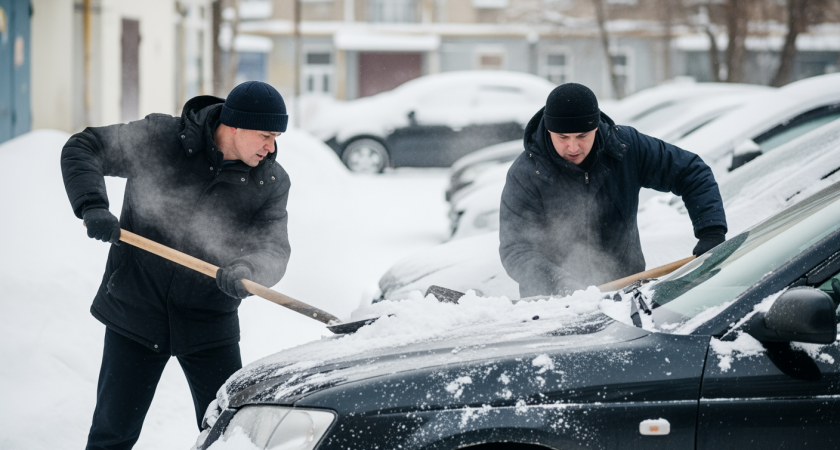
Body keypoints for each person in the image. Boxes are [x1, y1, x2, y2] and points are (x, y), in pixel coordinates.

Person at [60, 81, 292, 450]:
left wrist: (248, 269)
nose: (272, 147)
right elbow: (84, 146)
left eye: (276, 136)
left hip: (209, 321)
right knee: (112, 434)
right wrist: (92, 205)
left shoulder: (268, 181)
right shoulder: (161, 139)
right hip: (136, 311)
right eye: (265, 135)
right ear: (233, 125)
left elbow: (274, 247)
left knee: (231, 435)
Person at [499, 83, 727, 298]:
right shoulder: (527, 173)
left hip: (626, 294)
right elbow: (515, 249)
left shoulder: (624, 148)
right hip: (555, 306)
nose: (573, 147)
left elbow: (690, 171)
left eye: (582, 136)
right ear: (549, 131)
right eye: (563, 137)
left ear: (596, 127)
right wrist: (558, 283)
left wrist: (711, 231)